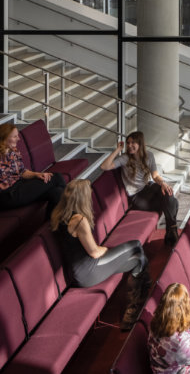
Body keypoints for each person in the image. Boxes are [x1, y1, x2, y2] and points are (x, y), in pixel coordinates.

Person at [51, 178, 150, 330]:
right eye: (88, 193)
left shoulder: (59, 215)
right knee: (135, 246)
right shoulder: (79, 220)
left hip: (78, 272)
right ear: (81, 198)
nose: (91, 194)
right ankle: (136, 305)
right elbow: (95, 252)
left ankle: (134, 307)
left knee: (138, 260)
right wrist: (108, 250)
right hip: (88, 272)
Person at [101, 131, 180, 247]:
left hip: (148, 187)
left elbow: (155, 176)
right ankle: (172, 231)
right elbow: (104, 166)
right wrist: (117, 150)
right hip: (136, 196)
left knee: (168, 194)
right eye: (128, 143)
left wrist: (163, 183)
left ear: (140, 143)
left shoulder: (149, 155)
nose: (129, 145)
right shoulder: (125, 158)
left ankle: (171, 231)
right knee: (172, 202)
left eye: (133, 142)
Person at [0, 122, 64, 218]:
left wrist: (36, 174)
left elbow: (22, 171)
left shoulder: (13, 150)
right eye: (14, 136)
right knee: (56, 177)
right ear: (4, 139)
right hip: (7, 195)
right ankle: (74, 214)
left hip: (19, 186)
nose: (18, 139)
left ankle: (51, 227)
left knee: (56, 192)